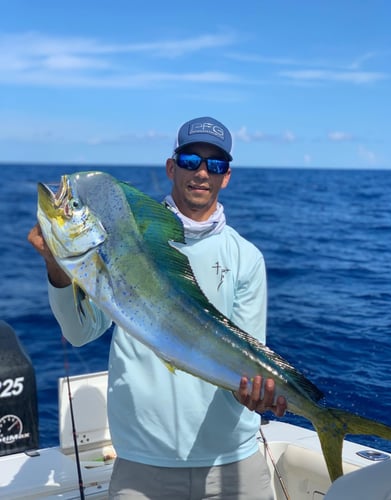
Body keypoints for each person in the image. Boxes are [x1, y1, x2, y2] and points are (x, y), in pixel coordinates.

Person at [28, 116, 287, 500]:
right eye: (189, 160)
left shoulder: (245, 257)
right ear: (171, 167)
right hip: (142, 467)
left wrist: (255, 392)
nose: (201, 172)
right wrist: (57, 266)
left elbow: (246, 361)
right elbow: (79, 334)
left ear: (226, 176)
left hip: (232, 461)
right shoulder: (122, 243)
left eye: (214, 164)